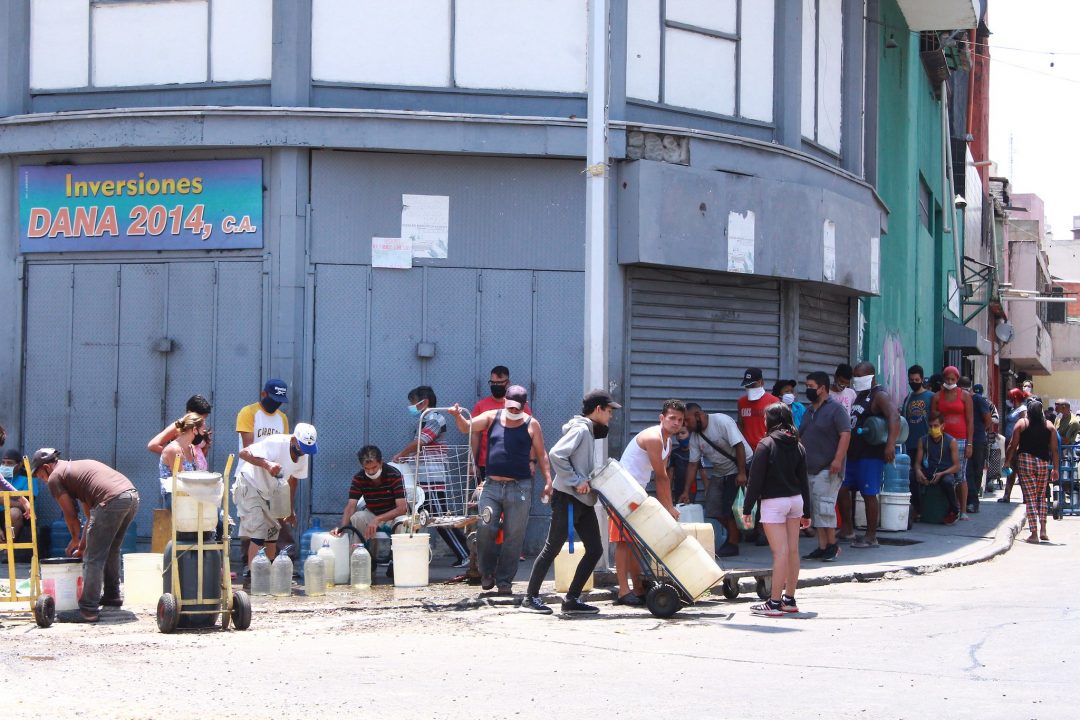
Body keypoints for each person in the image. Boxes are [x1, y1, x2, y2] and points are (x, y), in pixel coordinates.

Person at [520, 390, 620, 615]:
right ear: (598, 409)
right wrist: (575, 480)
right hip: (568, 497)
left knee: (595, 549)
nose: (611, 416)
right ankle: (530, 597)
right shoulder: (581, 429)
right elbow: (557, 454)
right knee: (552, 547)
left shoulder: (589, 430)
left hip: (582, 499)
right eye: (609, 411)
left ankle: (572, 599)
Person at [449, 385, 552, 595]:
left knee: (514, 535)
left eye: (517, 408)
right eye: (510, 407)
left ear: (524, 406)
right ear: (505, 401)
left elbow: (542, 455)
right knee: (486, 528)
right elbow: (466, 427)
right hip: (491, 487)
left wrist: (549, 481)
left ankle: (505, 580)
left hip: (519, 487)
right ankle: (486, 572)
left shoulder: (532, 424)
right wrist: (458, 416)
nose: (513, 411)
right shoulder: (491, 416)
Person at [30, 448, 139, 622]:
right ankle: (112, 595)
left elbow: (70, 514)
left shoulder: (55, 477)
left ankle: (88, 609)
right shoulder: (75, 473)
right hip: (130, 497)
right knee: (110, 549)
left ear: (47, 467)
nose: (43, 481)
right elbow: (90, 518)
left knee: (93, 557)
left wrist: (74, 540)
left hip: (111, 500)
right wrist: (81, 545)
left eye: (40, 476)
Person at [612, 399, 684, 606]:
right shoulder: (653, 437)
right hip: (622, 491)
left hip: (636, 492)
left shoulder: (668, 441)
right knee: (623, 541)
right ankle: (623, 591)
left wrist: (667, 507)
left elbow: (662, 477)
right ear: (662, 418)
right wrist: (668, 508)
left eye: (680, 420)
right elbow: (661, 477)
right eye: (672, 418)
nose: (676, 423)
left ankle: (638, 587)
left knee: (635, 541)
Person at [741, 403, 811, 617]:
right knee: (792, 551)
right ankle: (789, 600)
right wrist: (807, 512)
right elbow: (804, 481)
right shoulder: (798, 445)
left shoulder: (766, 444)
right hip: (795, 501)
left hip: (774, 502)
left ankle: (773, 603)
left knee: (779, 552)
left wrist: (747, 508)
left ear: (770, 421)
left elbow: (755, 481)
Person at [394, 386, 469, 567]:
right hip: (424, 477)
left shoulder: (436, 418)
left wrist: (400, 454)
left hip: (432, 478)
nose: (411, 407)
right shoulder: (424, 420)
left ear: (424, 402)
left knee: (439, 519)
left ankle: (465, 553)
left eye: (413, 403)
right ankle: (464, 552)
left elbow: (421, 442)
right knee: (430, 518)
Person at [231, 423, 317, 567]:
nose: (303, 452)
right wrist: (267, 464)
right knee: (258, 532)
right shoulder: (276, 442)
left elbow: (293, 481)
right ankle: (255, 578)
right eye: (301, 447)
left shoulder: (303, 456)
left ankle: (269, 575)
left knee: (272, 532)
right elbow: (243, 453)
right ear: (294, 440)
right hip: (250, 483)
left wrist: (290, 509)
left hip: (269, 492)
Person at [840, 362, 900, 549]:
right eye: (854, 376)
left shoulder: (879, 395)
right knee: (842, 488)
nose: (855, 380)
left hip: (870, 454)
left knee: (868, 494)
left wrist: (890, 444)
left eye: (859, 376)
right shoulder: (860, 396)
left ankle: (871, 536)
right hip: (854, 453)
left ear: (871, 375)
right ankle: (847, 529)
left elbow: (894, 416)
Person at [679, 402, 750, 558]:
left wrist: (742, 472)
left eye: (686, 420)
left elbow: (739, 446)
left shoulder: (721, 421)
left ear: (698, 415)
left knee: (729, 507)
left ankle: (733, 543)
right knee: (712, 506)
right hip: (720, 471)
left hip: (740, 466)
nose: (684, 425)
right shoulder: (695, 437)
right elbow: (693, 465)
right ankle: (736, 532)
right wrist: (685, 491)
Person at [236, 379, 294, 559]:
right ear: (264, 394)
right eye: (273, 398)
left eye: (280, 400)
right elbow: (248, 449)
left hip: (271, 481)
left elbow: (284, 449)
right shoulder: (249, 412)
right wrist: (267, 464)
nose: (276, 403)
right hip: (250, 477)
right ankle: (251, 568)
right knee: (254, 528)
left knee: (271, 530)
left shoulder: (282, 418)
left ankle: (267, 569)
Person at [799, 372, 851, 562]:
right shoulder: (809, 410)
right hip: (809, 468)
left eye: (811, 386)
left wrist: (837, 460)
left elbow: (845, 434)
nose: (808, 389)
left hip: (828, 468)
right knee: (816, 508)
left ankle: (832, 545)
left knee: (825, 507)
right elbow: (800, 434)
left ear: (822, 388)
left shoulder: (837, 410)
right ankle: (822, 546)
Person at [1004, 399, 1059, 544]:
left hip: (1025, 461)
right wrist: (1056, 468)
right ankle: (1043, 530)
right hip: (1043, 463)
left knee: (1030, 498)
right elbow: (1054, 449)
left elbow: (1012, 445)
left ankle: (1034, 534)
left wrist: (1007, 461)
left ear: (1028, 411)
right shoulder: (1049, 426)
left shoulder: (1022, 423)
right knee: (1041, 497)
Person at [331, 446, 408, 548]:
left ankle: (399, 560)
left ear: (381, 462)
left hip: (393, 516)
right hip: (372, 514)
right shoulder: (359, 478)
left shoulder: (394, 475)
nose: (371, 472)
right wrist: (342, 529)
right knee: (357, 517)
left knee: (402, 523)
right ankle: (361, 557)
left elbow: (402, 509)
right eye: (367, 468)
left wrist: (378, 519)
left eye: (374, 467)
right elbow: (351, 506)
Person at [471, 365, 533, 480]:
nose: (495, 386)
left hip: (515, 464)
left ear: (508, 382)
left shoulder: (519, 406)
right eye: (492, 383)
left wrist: (532, 461)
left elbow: (530, 435)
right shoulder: (481, 405)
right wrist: (472, 463)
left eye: (499, 383)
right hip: (487, 464)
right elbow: (474, 435)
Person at [931, 366, 974, 520]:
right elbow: (933, 419)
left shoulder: (964, 396)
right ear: (943, 379)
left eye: (952, 379)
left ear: (957, 380)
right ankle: (950, 506)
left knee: (960, 475)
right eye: (947, 379)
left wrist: (970, 443)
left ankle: (963, 510)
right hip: (942, 440)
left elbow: (970, 421)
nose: (950, 382)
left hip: (961, 439)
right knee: (945, 473)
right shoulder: (937, 397)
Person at [913, 413, 962, 525]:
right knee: (911, 476)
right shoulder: (923, 440)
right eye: (930, 426)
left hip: (945, 472)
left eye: (936, 426)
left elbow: (956, 466)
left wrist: (942, 473)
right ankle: (918, 509)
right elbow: (917, 463)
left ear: (942, 426)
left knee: (948, 481)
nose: (933, 429)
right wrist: (918, 471)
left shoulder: (951, 441)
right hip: (929, 470)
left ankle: (954, 511)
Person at [147, 393, 213, 469]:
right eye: (200, 416)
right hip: (182, 469)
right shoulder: (180, 424)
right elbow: (153, 445)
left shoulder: (200, 426)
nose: (203, 420)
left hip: (196, 469)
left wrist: (206, 445)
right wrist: (175, 455)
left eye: (205, 418)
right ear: (189, 413)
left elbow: (199, 451)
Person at [157, 413, 205, 508]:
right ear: (195, 430)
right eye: (202, 431)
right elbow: (181, 479)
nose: (204, 434)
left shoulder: (191, 448)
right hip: (175, 497)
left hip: (191, 495)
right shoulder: (174, 450)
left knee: (219, 517)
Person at [959, 377, 993, 513]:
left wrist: (980, 431)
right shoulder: (960, 399)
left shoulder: (977, 399)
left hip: (978, 440)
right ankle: (970, 500)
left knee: (976, 471)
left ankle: (973, 501)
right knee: (966, 471)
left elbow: (988, 419)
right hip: (964, 438)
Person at [999, 387, 1029, 503]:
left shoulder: (1022, 409)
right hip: (1009, 443)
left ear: (1014, 398)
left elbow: (1024, 425)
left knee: (1019, 470)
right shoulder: (1014, 409)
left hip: (1016, 443)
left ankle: (1026, 497)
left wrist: (1018, 443)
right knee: (1010, 470)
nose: (1007, 400)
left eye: (1009, 398)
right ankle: (1007, 495)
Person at [738, 368, 779, 450]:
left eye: (752, 385)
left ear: (761, 382)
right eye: (747, 385)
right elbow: (741, 425)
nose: (749, 388)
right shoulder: (741, 402)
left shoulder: (773, 401)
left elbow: (777, 429)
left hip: (766, 450)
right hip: (747, 451)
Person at [0, 450, 31, 543]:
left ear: (19, 465)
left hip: (19, 518)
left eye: (9, 463)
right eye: (3, 462)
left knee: (14, 512)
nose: (5, 465)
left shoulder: (27, 480)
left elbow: (27, 506)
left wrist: (3, 500)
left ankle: (8, 547)